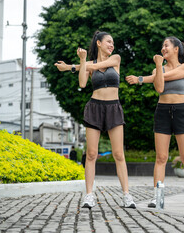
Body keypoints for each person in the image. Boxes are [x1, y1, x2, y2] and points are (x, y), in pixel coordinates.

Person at [54, 30, 136, 209]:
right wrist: (82, 62)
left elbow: (94, 67)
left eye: (112, 42)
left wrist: (70, 66)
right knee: (91, 154)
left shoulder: (115, 59)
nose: (111, 45)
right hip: (95, 107)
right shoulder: (88, 63)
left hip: (113, 107)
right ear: (98, 43)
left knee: (118, 154)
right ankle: (89, 195)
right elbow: (82, 83)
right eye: (108, 42)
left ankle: (127, 195)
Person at [126, 36, 184, 208]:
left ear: (176, 49)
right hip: (162, 112)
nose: (163, 48)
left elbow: (169, 76)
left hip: (181, 111)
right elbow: (159, 87)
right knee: (161, 157)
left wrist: (141, 79)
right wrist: (157, 68)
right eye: (162, 46)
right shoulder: (157, 70)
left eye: (166, 45)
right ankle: (157, 197)